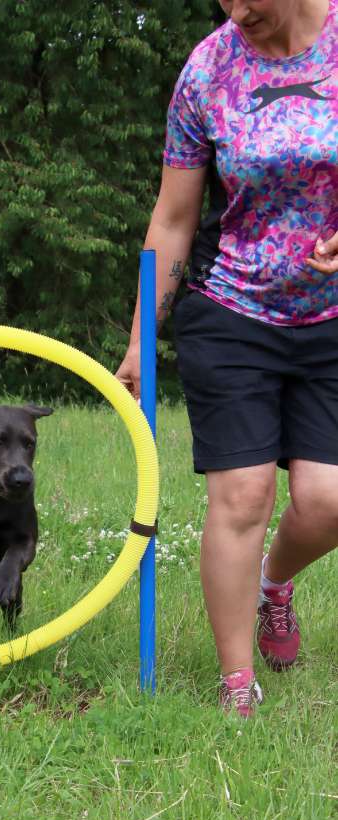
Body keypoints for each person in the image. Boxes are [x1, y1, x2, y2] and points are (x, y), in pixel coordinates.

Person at [116, 0, 338, 718]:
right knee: (243, 494)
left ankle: (275, 585)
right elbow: (174, 216)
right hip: (232, 309)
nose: (237, 11)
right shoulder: (209, 70)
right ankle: (237, 683)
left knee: (328, 502)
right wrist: (141, 337)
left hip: (331, 320)